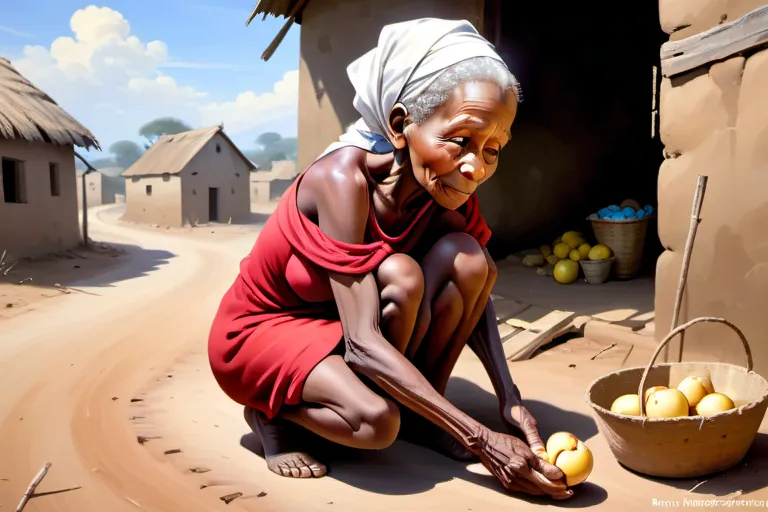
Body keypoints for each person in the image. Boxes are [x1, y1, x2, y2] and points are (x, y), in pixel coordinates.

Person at [208, 18, 572, 500]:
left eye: (493, 149)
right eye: (460, 140)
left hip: (338, 324)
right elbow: (362, 342)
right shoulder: (342, 181)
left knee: (466, 259)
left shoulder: (446, 185)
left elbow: (476, 290)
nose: (475, 167)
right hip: (265, 332)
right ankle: (272, 416)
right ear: (401, 125)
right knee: (376, 424)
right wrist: (482, 439)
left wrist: (510, 399)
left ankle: (424, 415)